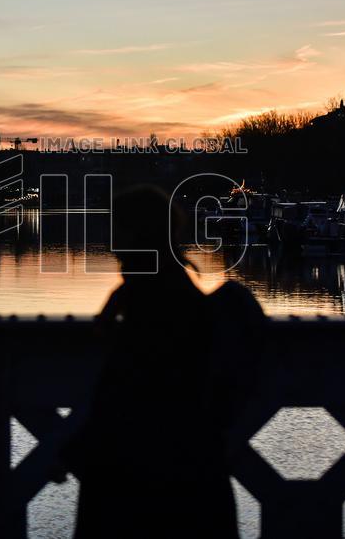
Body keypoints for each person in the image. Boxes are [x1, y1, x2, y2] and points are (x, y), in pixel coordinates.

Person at [62, 185, 266, 539]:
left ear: (136, 235)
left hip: (147, 485)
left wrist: (76, 450)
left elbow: (132, 392)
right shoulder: (170, 291)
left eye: (116, 229)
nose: (109, 243)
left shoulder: (152, 301)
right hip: (193, 477)